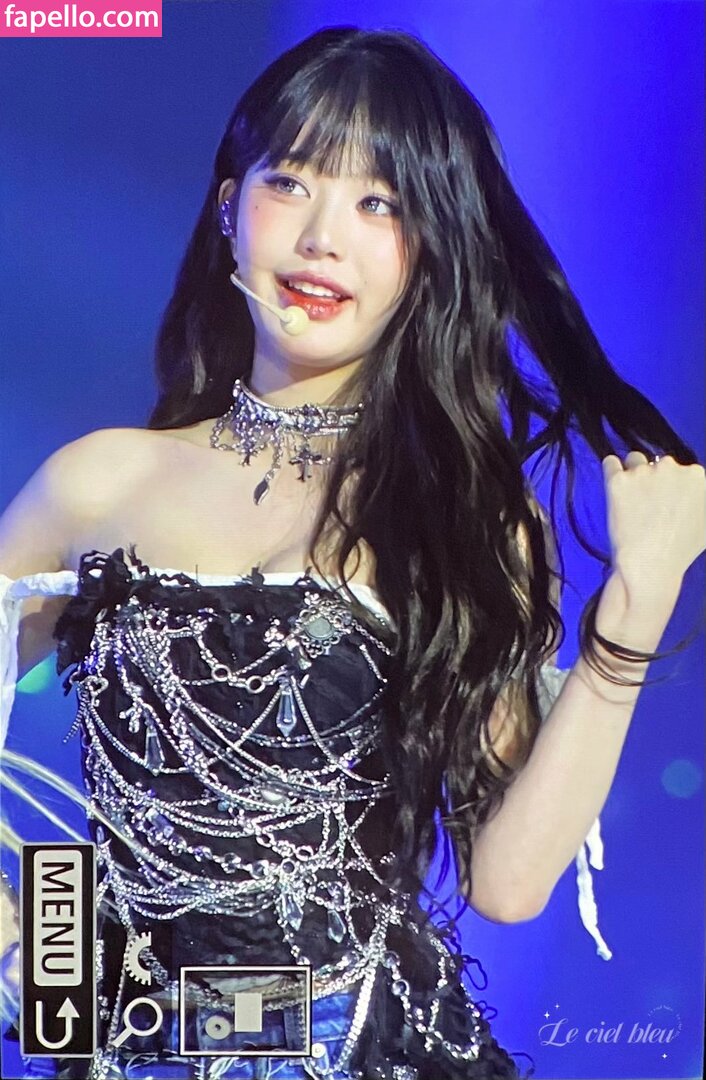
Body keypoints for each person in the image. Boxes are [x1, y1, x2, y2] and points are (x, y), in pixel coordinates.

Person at [0, 24, 704, 1080]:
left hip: (376, 1051)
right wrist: (35, 952)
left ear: (431, 249)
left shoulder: (465, 518)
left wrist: (632, 616)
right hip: (137, 1053)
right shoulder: (98, 482)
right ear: (230, 206)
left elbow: (508, 884)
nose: (323, 238)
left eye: (381, 204)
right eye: (290, 183)